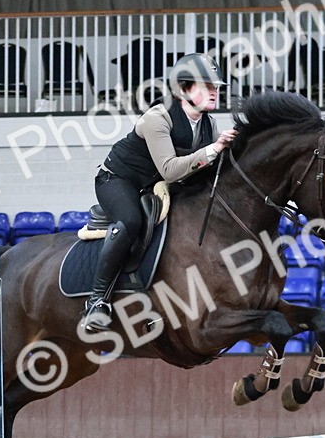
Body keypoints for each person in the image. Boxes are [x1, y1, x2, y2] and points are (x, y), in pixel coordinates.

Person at [81, 52, 239, 331]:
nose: (215, 92)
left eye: (217, 87)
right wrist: (214, 149)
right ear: (185, 89)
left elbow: (207, 166)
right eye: (208, 86)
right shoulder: (157, 117)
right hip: (117, 180)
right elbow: (170, 169)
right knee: (131, 220)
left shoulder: (207, 123)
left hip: (155, 187)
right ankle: (97, 301)